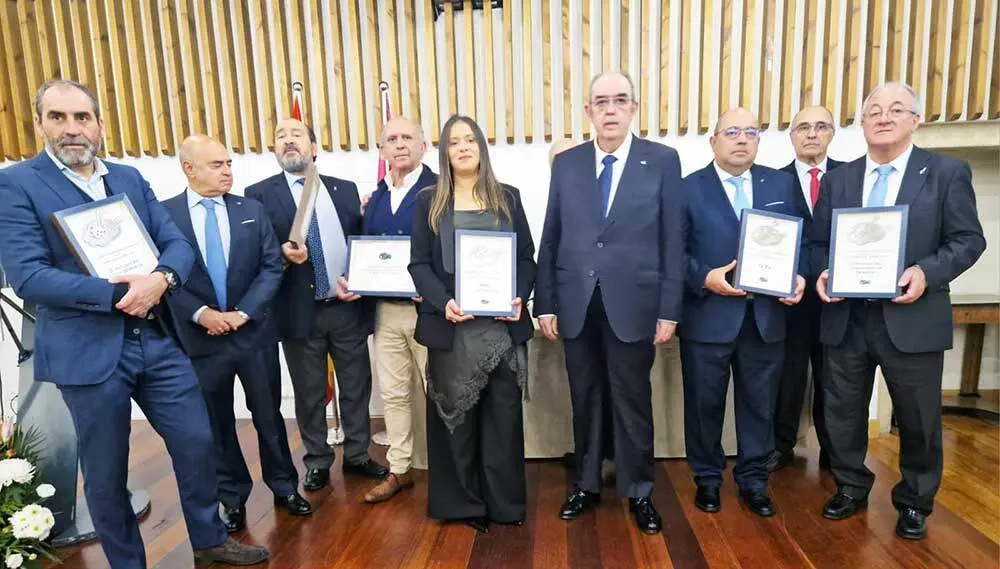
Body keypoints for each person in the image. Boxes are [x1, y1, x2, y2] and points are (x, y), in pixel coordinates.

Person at [0, 80, 267, 567]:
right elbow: (29, 277)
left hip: (158, 338)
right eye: (57, 117)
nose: (72, 129)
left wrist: (161, 279)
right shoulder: (16, 184)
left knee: (197, 441)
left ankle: (209, 543)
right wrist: (122, 294)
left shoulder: (127, 178)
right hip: (88, 350)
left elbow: (177, 244)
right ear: (39, 123)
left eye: (82, 117)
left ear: (99, 124)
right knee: (105, 472)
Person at [811, 82, 986, 540]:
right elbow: (816, 244)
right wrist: (822, 273)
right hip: (847, 318)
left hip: (911, 317)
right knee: (841, 411)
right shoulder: (839, 179)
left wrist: (926, 272)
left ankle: (915, 501)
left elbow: (969, 240)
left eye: (895, 109)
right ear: (861, 122)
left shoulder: (947, 173)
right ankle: (850, 485)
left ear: (915, 120)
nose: (882, 117)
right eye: (872, 110)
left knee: (918, 417)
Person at [534, 71, 684, 534]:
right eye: (601, 101)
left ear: (634, 108)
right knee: (585, 398)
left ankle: (639, 489)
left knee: (632, 400)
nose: (611, 109)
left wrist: (669, 308)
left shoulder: (661, 160)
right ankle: (586, 483)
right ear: (589, 111)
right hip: (577, 302)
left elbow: (672, 238)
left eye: (621, 100)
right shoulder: (569, 163)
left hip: (634, 304)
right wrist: (545, 301)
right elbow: (552, 235)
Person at [162, 135, 311, 532]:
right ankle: (232, 497)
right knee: (217, 422)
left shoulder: (252, 209)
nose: (227, 171)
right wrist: (201, 313)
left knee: (268, 415)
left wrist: (244, 312)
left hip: (253, 334)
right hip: (200, 338)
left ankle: (284, 486)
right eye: (216, 165)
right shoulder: (163, 215)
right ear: (188, 168)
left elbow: (271, 267)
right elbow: (159, 275)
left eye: (229, 163)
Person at [408, 115, 537, 534]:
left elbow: (525, 259)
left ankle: (505, 504)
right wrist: (442, 301)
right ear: (444, 152)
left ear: (482, 146)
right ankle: (463, 505)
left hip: (501, 331)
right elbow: (419, 264)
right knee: (456, 424)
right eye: (453, 142)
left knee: (503, 422)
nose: (463, 147)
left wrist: (519, 295)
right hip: (452, 330)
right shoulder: (429, 201)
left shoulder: (509, 198)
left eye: (470, 140)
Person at [246, 118, 388, 492]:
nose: (288, 141)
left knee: (356, 386)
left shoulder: (344, 189)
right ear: (274, 150)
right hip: (298, 311)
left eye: (296, 135)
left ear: (314, 147)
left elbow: (361, 240)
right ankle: (318, 459)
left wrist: (363, 280)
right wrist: (280, 253)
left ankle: (358, 455)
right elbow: (254, 253)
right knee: (309, 394)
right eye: (280, 136)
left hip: (345, 306)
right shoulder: (258, 195)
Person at [679, 107, 806, 518]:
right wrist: (704, 278)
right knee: (704, 406)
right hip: (707, 318)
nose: (741, 139)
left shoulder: (782, 184)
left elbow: (803, 242)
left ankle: (754, 481)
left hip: (765, 319)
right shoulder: (687, 188)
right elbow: (672, 254)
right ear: (713, 140)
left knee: (759, 406)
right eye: (731, 131)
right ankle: (708, 479)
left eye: (750, 131)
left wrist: (799, 275)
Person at [360, 117, 438, 503]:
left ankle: (447, 471)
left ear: (424, 146)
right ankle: (400, 469)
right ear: (382, 149)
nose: (400, 144)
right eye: (391, 138)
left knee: (438, 391)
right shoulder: (375, 196)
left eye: (408, 137)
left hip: (428, 312)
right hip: (385, 312)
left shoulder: (442, 189)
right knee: (393, 395)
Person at [770, 106, 846, 472]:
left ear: (833, 133)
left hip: (840, 297)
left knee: (836, 377)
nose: (811, 134)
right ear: (792, 135)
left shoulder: (852, 177)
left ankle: (835, 450)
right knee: (788, 375)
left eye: (820, 126)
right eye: (803, 127)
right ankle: (781, 445)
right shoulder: (773, 180)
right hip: (791, 297)